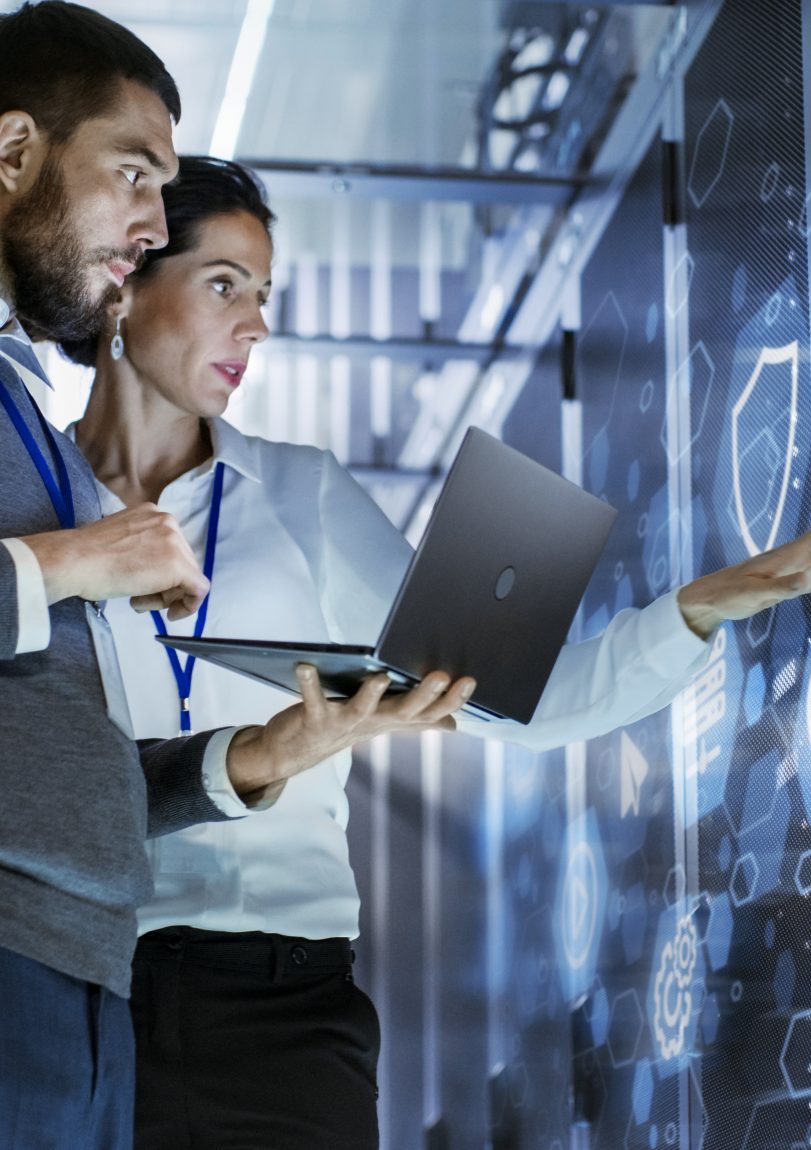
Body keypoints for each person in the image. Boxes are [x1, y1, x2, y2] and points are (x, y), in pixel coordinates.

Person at [64, 154, 811, 1149]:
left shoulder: (303, 495)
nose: (257, 324)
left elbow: (521, 702)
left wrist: (705, 604)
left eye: (266, 296)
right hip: (83, 993)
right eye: (224, 285)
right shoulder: (33, 512)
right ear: (128, 280)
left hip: (283, 1008)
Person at [0, 6, 471, 1148]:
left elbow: (65, 756)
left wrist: (259, 758)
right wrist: (78, 560)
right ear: (15, 153)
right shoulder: (58, 476)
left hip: (83, 961)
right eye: (134, 173)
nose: (147, 223)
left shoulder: (15, 401)